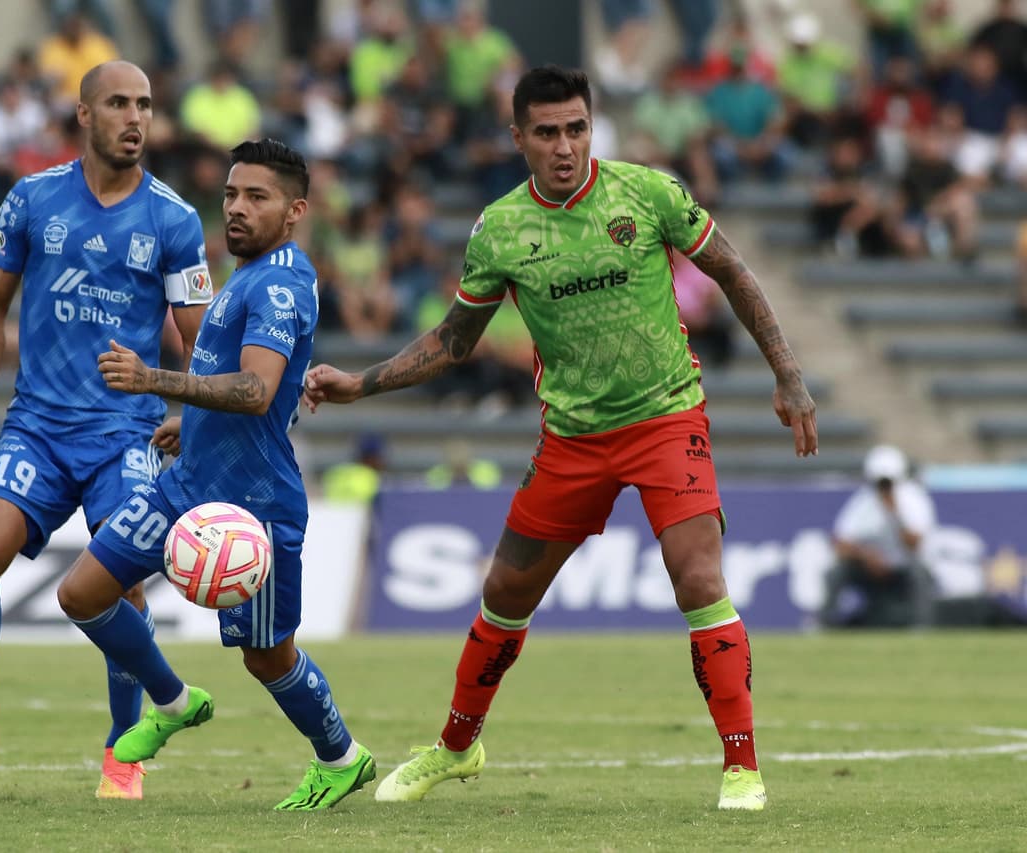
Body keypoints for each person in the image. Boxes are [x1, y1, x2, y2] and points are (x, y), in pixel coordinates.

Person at [303, 65, 819, 812]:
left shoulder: (647, 194)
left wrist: (788, 374)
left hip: (666, 417)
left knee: (698, 579)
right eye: (547, 132)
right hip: (573, 437)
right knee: (503, 591)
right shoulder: (501, 229)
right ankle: (456, 746)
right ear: (519, 139)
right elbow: (454, 340)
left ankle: (742, 767)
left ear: (592, 126)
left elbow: (733, 272)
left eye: (577, 127)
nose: (565, 145)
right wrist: (364, 381)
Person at [0, 61, 212, 800]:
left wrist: (189, 409)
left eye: (144, 104)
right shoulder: (33, 198)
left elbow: (202, 338)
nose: (135, 117)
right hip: (37, 425)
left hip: (125, 432)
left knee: (120, 582)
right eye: (117, 103)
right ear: (84, 115)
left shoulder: (174, 219)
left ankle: (123, 751)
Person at [55, 138, 377, 811]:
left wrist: (154, 380)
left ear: (294, 211)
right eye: (231, 194)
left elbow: (257, 390)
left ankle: (341, 757)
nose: (236, 208)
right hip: (188, 479)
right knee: (82, 592)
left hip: (252, 502)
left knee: (267, 656)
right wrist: (190, 422)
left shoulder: (282, 284)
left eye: (256, 197)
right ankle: (172, 700)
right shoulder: (249, 274)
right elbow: (240, 383)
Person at [820, 445, 937, 629]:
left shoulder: (914, 500)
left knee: (919, 573)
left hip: (903, 568)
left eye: (887, 482)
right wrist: (865, 556)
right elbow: (840, 543)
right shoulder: (863, 501)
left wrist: (895, 514)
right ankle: (823, 623)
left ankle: (921, 626)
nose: (883, 488)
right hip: (871, 568)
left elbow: (915, 545)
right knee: (836, 572)